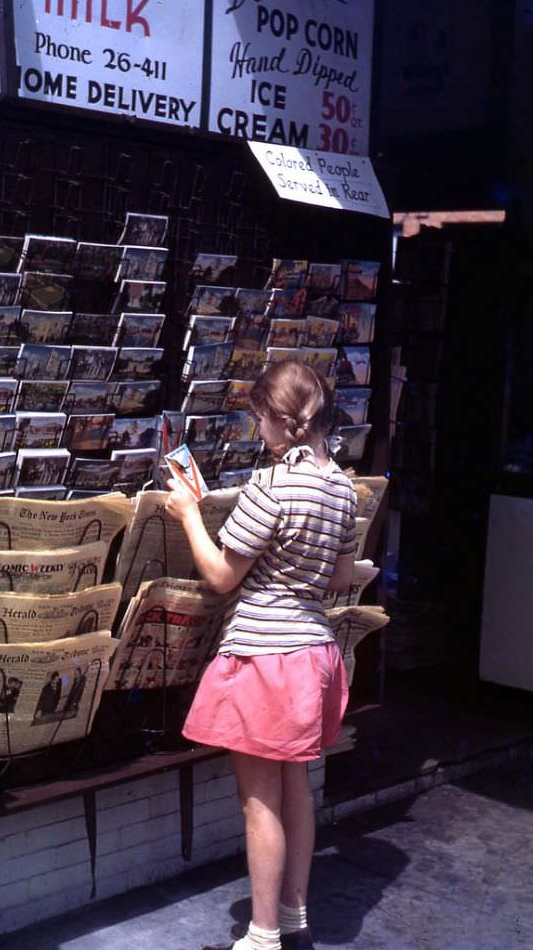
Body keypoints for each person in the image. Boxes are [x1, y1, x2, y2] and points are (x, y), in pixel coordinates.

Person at [165, 360, 357, 950]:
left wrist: (191, 514)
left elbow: (223, 575)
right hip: (313, 653)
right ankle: (294, 919)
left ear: (278, 419)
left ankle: (262, 935)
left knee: (259, 804)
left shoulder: (269, 488)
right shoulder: (343, 488)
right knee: (296, 786)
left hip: (264, 657)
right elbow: (342, 576)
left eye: (259, 420)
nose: (259, 432)